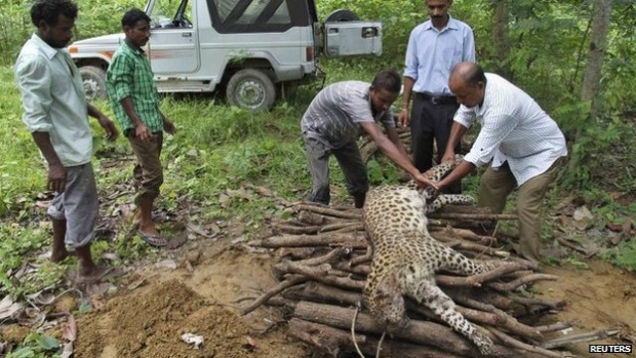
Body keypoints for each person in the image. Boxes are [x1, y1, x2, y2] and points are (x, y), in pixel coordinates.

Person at [14, 0, 119, 282]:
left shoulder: (55, 51)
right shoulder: (35, 61)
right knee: (82, 203)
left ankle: (58, 251)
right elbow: (35, 119)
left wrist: (99, 115)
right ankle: (86, 268)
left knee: (64, 199)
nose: (69, 34)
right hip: (65, 151)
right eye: (63, 29)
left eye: (71, 27)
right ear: (43, 26)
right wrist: (54, 164)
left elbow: (69, 95)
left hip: (71, 141)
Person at [435, 62, 568, 264]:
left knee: (526, 206)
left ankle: (530, 261)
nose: (459, 100)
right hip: (511, 151)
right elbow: (464, 114)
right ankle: (483, 239)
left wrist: (441, 184)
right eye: (456, 95)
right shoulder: (476, 87)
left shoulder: (502, 108)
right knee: (490, 185)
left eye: (462, 96)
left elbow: (475, 158)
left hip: (542, 153)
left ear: (479, 86)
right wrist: (449, 149)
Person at [301, 70, 434, 208]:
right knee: (322, 184)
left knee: (360, 180)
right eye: (382, 100)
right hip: (317, 131)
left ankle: (359, 213)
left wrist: (413, 171)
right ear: (372, 90)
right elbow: (380, 139)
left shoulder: (384, 107)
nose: (385, 106)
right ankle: (313, 214)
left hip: (343, 133)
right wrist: (415, 172)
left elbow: (395, 141)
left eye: (390, 102)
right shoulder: (357, 99)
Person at [106, 8, 176, 247]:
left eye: (148, 29)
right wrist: (138, 124)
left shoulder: (138, 55)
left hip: (151, 122)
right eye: (142, 30)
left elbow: (146, 95)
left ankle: (140, 213)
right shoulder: (123, 57)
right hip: (140, 127)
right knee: (154, 175)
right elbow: (123, 93)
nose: (147, 34)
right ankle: (146, 223)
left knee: (143, 170)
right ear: (127, 30)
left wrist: (162, 119)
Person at [398, 0, 475, 194]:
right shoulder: (418, 33)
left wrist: (469, 107)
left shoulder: (463, 32)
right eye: (431, 7)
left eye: (440, 7)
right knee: (420, 155)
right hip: (422, 103)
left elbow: (470, 70)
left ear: (449, 4)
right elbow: (410, 71)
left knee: (449, 157)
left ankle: (451, 202)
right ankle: (421, 199)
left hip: (451, 104)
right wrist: (405, 106)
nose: (436, 12)